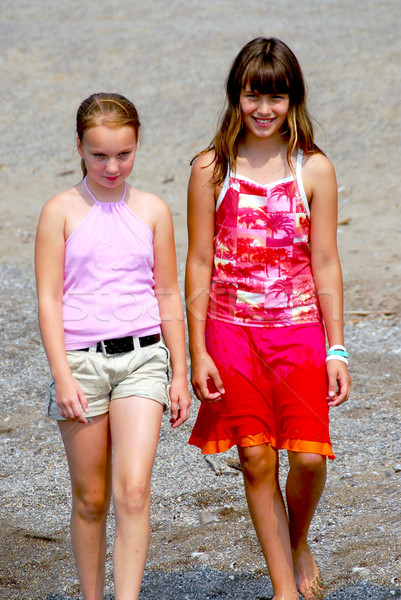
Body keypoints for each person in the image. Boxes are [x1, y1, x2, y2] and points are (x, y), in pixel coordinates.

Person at [185, 38, 351, 600]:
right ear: (236, 96)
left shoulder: (315, 168)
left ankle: (296, 540)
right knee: (256, 458)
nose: (263, 108)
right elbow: (199, 262)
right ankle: (283, 588)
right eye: (253, 94)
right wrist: (198, 351)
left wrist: (337, 349)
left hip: (300, 332)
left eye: (275, 97)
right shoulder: (212, 167)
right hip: (231, 334)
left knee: (307, 458)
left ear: (292, 100)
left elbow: (326, 262)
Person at [35, 92, 191, 600]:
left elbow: (168, 291)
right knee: (90, 497)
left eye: (123, 153)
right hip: (80, 363)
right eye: (99, 154)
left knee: (133, 491)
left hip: (144, 360)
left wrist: (179, 372)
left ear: (136, 145)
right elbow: (48, 300)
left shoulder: (153, 209)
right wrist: (61, 377)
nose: (112, 165)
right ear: (79, 147)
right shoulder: (58, 211)